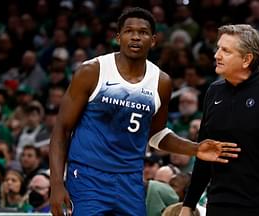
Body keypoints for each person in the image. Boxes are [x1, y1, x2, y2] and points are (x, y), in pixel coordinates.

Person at [49, 7, 240, 216]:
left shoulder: (161, 82)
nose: (136, 37)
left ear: (154, 40)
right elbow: (62, 129)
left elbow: (156, 135)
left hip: (130, 180)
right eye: (129, 31)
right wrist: (57, 184)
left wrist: (195, 149)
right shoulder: (92, 71)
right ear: (118, 37)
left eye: (143, 32)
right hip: (87, 176)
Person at [180, 24, 259, 216]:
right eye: (218, 48)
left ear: (247, 59)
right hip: (218, 205)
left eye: (226, 51)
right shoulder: (213, 91)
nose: (217, 55)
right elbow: (204, 153)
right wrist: (188, 204)